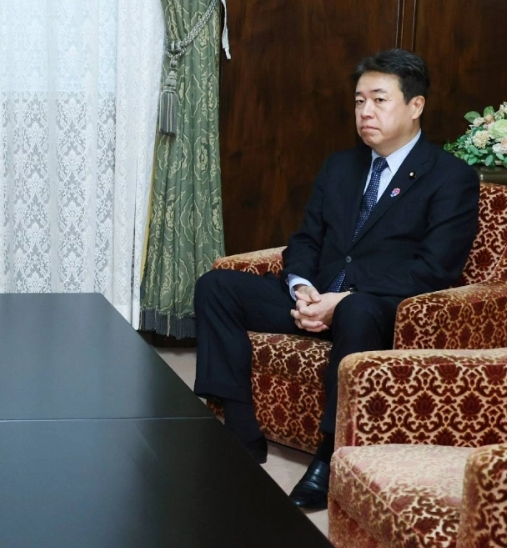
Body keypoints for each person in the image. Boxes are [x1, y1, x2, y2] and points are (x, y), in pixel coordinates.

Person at [193, 49, 479, 510]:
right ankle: (240, 431)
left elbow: (435, 267)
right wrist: (302, 287)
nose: (365, 112)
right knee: (217, 285)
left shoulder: (450, 177)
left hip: (380, 306)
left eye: (379, 100)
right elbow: (306, 238)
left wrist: (343, 296)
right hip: (316, 296)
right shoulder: (340, 166)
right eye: (359, 101)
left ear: (415, 105)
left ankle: (328, 457)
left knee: (359, 308)